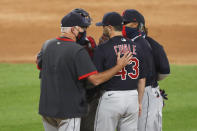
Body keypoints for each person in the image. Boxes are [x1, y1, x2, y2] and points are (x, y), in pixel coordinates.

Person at [36, 11, 132, 131]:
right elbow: (95, 80)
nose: (84, 31)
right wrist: (118, 67)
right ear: (73, 29)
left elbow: (39, 63)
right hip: (68, 109)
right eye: (82, 28)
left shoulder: (47, 45)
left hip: (47, 109)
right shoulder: (77, 50)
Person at [93, 12, 146, 131]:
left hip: (111, 99)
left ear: (110, 28)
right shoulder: (137, 47)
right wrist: (139, 102)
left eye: (103, 26)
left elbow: (96, 79)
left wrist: (118, 67)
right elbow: (142, 79)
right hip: (133, 98)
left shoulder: (102, 49)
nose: (102, 29)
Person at [122, 9, 170, 131]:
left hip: (147, 93)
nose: (122, 26)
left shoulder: (151, 44)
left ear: (136, 25)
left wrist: (153, 82)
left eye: (124, 23)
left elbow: (165, 70)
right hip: (140, 93)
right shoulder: (128, 43)